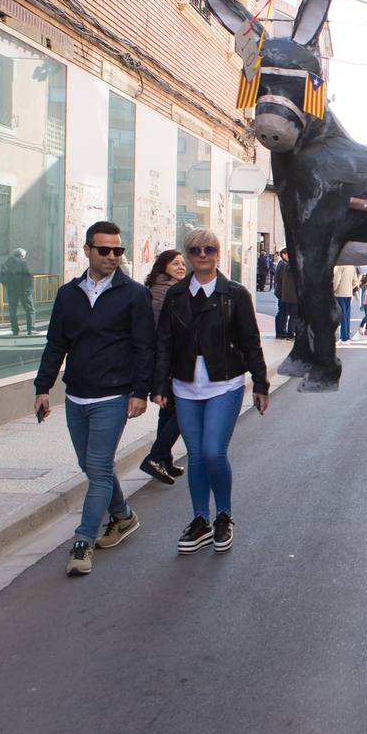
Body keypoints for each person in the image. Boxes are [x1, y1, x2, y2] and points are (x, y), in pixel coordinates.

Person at [33, 222, 153, 576]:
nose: (113, 257)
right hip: (76, 396)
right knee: (91, 466)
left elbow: (145, 347)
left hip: (113, 396)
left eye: (118, 251)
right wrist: (43, 388)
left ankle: (83, 541)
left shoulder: (134, 294)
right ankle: (124, 516)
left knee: (98, 468)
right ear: (87, 250)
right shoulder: (68, 294)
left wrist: (139, 392)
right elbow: (56, 343)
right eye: (105, 250)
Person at [153, 229, 270, 555]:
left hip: (225, 383)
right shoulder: (176, 295)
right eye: (195, 250)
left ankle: (223, 516)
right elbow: (163, 343)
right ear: (188, 255)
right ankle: (200, 520)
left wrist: (260, 383)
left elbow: (251, 341)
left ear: (218, 254)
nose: (202, 255)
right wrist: (159, 384)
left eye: (209, 249)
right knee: (196, 456)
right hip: (185, 386)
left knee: (213, 451)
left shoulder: (235, 294)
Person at [140, 250, 188, 485]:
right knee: (185, 410)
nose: (181, 267)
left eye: (182, 263)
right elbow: (164, 332)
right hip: (168, 361)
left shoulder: (169, 288)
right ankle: (156, 456)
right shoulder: (165, 292)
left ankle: (164, 459)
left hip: (169, 360)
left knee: (168, 410)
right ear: (163, 267)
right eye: (175, 263)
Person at [0, 248, 36, 336]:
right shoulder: (24, 262)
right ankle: (30, 329)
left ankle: (15, 330)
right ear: (22, 255)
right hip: (24, 291)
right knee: (30, 310)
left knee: (13, 311)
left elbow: (2, 278)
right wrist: (29, 288)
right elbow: (29, 276)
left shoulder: (6, 263)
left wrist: (8, 286)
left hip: (12, 290)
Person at [274, 250, 299, 340]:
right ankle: (282, 332)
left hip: (284, 293)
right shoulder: (283, 264)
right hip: (283, 293)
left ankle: (282, 332)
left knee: (284, 313)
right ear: (284, 254)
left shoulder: (283, 264)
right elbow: (278, 279)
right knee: (284, 313)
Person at [333, 263, 358, 342]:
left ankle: (343, 337)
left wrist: (333, 289)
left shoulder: (339, 266)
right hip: (348, 293)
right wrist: (350, 287)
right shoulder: (352, 266)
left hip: (340, 293)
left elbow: (337, 280)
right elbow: (355, 281)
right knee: (347, 315)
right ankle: (347, 336)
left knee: (342, 315)